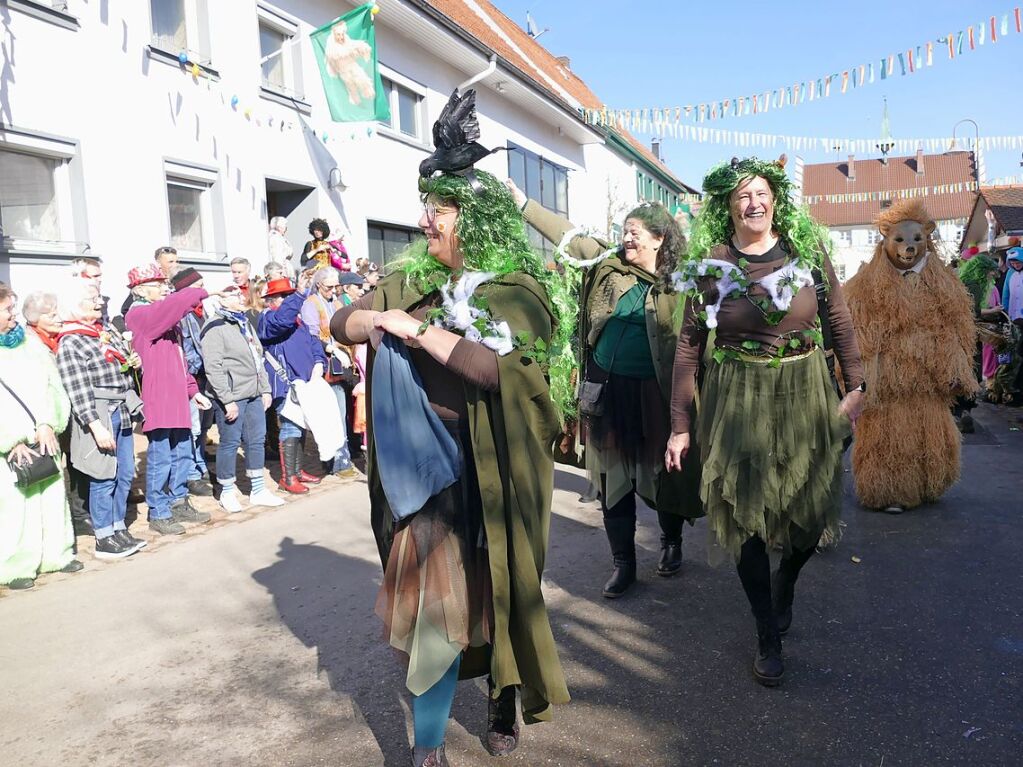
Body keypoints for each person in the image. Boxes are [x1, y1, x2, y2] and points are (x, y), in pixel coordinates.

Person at [330, 119, 573, 762]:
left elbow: (504, 373)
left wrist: (418, 334)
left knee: (496, 593)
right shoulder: (409, 280)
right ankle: (429, 747)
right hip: (429, 471)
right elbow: (338, 323)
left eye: (440, 210)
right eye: (427, 209)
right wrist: (374, 317)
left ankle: (500, 698)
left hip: (495, 470)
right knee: (435, 611)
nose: (426, 220)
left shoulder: (518, 292)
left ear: (478, 219)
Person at [666, 156, 865, 687]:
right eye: (741, 196)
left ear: (774, 198)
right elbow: (688, 346)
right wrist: (680, 423)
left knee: (809, 509)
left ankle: (787, 585)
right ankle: (765, 632)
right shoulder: (711, 264)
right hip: (738, 394)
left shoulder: (805, 252)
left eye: (760, 193)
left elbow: (838, 319)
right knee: (745, 513)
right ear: (727, 206)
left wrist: (858, 383)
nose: (752, 203)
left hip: (805, 389)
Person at [507, 180, 703, 598]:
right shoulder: (607, 263)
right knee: (613, 481)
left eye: (636, 233)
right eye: (625, 231)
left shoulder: (681, 283)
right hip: (607, 392)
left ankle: (671, 543)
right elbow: (568, 237)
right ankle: (623, 563)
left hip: (655, 395)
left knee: (662, 476)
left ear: (659, 239)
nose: (627, 238)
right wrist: (524, 204)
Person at [0, 282, 82, 589]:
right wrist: (10, 440)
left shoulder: (28, 343)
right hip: (10, 448)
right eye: (7, 309)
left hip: (42, 438)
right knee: (16, 507)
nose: (13, 315)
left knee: (50, 497)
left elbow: (52, 384)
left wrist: (48, 421)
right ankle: (15, 565)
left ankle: (56, 555)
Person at [56, 279, 145, 559]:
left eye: (98, 298)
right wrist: (94, 425)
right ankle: (103, 537)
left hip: (120, 410)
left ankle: (119, 528)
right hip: (99, 415)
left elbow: (121, 368)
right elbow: (77, 388)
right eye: (91, 300)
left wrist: (134, 362)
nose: (99, 303)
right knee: (103, 475)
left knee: (124, 472)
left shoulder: (102, 331)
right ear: (74, 307)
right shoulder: (71, 341)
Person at [125, 263, 215, 535]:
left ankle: (178, 500)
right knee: (161, 456)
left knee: (182, 453)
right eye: (158, 284)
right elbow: (175, 303)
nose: (164, 288)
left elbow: (181, 361)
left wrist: (193, 391)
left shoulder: (164, 317)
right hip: (158, 397)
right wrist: (199, 291)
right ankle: (158, 510)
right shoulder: (140, 314)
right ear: (141, 289)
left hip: (177, 396)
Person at [201, 285, 284, 512]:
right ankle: (227, 491)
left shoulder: (244, 322)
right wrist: (227, 400)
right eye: (233, 294)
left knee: (256, 440)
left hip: (253, 392)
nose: (240, 297)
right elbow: (213, 367)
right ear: (221, 301)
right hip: (231, 396)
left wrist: (265, 389)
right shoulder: (214, 326)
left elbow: (258, 356)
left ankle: (258, 490)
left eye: (240, 293)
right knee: (229, 442)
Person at [257, 272, 325, 494]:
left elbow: (313, 342)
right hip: (283, 383)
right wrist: (297, 294)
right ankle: (288, 478)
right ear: (271, 300)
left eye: (288, 294)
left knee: (300, 425)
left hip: (302, 383)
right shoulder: (268, 319)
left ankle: (297, 470)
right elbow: (281, 322)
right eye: (282, 295)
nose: (287, 299)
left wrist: (318, 361)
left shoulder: (298, 320)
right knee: (290, 426)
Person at [300, 268, 359, 480]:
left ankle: (336, 460)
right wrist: (331, 348)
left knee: (341, 412)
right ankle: (338, 461)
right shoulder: (310, 305)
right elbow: (311, 336)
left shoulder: (335, 303)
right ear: (318, 285)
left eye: (336, 286)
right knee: (332, 414)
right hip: (324, 366)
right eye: (329, 287)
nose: (334, 291)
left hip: (341, 364)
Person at [171, 267, 215, 497]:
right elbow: (186, 349)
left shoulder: (201, 311)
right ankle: (191, 474)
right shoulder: (182, 313)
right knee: (192, 428)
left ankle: (201, 465)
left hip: (205, 375)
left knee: (204, 426)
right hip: (191, 376)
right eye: (198, 287)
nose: (203, 290)